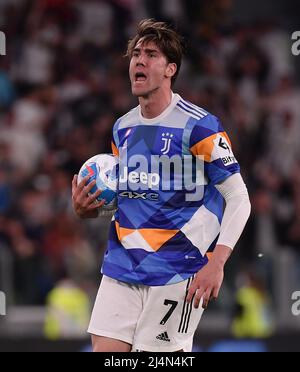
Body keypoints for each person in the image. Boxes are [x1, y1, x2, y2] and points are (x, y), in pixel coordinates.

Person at [72, 19, 251, 352]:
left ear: (170, 69)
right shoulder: (122, 128)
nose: (139, 60)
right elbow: (128, 199)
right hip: (122, 264)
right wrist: (89, 210)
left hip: (177, 270)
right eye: (136, 54)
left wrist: (217, 262)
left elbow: (239, 197)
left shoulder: (199, 125)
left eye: (151, 54)